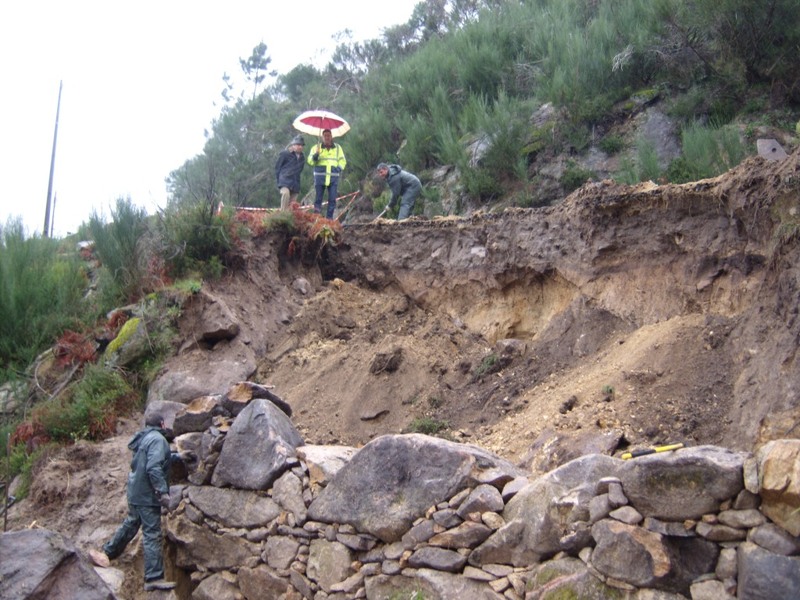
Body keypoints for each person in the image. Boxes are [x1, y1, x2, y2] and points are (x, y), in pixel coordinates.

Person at [89, 414, 192, 592]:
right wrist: (162, 492)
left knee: (131, 523)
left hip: (135, 491)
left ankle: (107, 553)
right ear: (162, 424)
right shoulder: (159, 439)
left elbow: (156, 458)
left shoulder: (145, 438)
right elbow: (153, 467)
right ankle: (153, 578)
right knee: (152, 533)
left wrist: (178, 456)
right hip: (147, 495)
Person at [308, 129, 347, 218]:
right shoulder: (316, 147)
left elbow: (343, 161)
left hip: (333, 178)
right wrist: (315, 156)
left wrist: (338, 169)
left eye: (328, 135)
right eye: (325, 135)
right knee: (318, 199)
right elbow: (310, 161)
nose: (327, 137)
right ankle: (316, 218)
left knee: (332, 200)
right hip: (320, 177)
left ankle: (329, 220)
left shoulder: (338, 148)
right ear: (322, 137)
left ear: (331, 136)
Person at [275, 135, 306, 210]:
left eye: (302, 145)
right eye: (298, 145)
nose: (300, 147)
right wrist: (279, 181)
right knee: (285, 194)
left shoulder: (302, 157)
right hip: (284, 181)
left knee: (292, 205)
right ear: (293, 145)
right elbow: (277, 168)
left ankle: (288, 218)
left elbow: (300, 170)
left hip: (295, 183)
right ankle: (283, 215)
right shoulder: (285, 154)